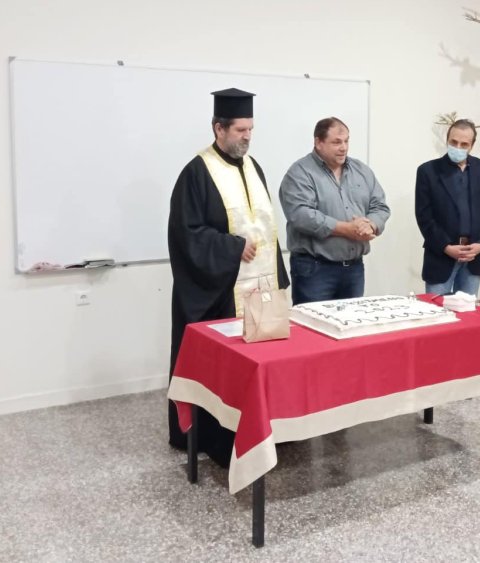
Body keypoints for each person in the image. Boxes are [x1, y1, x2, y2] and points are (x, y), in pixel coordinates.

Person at [167, 88, 289, 466]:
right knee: (222, 369)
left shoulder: (254, 168)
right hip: (220, 292)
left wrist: (279, 279)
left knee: (259, 364)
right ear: (218, 128)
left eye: (251, 129)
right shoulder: (196, 173)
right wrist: (232, 247)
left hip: (259, 288)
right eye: (240, 130)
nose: (247, 137)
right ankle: (215, 439)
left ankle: (259, 431)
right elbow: (186, 234)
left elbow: (267, 228)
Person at [279, 117, 390, 305]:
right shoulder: (300, 173)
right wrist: (345, 229)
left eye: (346, 141)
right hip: (314, 270)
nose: (343, 148)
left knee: (352, 322)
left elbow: (380, 206)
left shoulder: (361, 170)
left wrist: (370, 225)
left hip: (354, 269)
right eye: (336, 142)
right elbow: (301, 215)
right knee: (313, 323)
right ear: (318, 142)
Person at [414, 118, 480, 296]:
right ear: (447, 140)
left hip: (473, 257)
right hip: (440, 256)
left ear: (472, 145)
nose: (458, 147)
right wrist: (446, 247)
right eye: (454, 142)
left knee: (468, 311)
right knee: (436, 311)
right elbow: (424, 217)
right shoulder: (428, 171)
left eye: (464, 144)